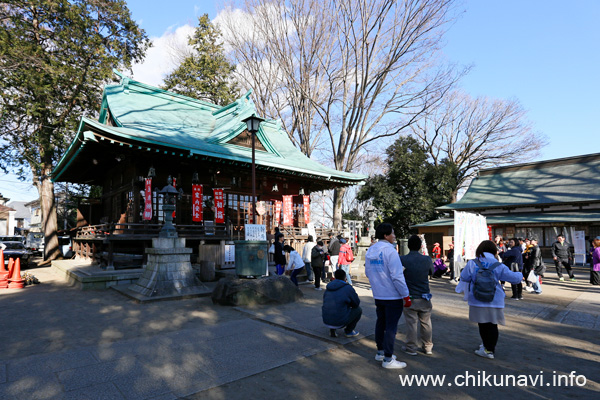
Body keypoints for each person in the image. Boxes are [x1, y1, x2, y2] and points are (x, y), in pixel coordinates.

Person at [456, 240, 523, 359]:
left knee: (482, 324)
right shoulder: (498, 265)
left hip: (477, 298)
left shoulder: (472, 263)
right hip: (494, 299)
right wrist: (520, 274)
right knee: (492, 324)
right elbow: (514, 279)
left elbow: (464, 277)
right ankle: (489, 348)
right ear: (494, 251)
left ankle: (487, 348)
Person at [365, 223, 412, 369]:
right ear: (386, 235)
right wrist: (406, 296)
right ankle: (388, 358)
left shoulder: (371, 250)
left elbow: (368, 272)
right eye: (392, 233)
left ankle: (381, 352)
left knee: (381, 323)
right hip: (392, 295)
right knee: (391, 327)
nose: (394, 236)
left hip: (379, 294)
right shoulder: (390, 252)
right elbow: (397, 276)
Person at [400, 235, 434, 356]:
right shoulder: (427, 259)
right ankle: (428, 346)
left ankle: (411, 347)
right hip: (424, 295)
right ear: (420, 246)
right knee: (426, 322)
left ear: (408, 246)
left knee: (411, 323)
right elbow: (432, 272)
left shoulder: (402, 259)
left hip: (409, 296)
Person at [322, 269, 362, 338]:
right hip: (340, 321)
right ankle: (349, 331)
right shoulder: (347, 288)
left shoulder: (328, 287)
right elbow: (356, 303)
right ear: (345, 277)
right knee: (358, 310)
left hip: (326, 320)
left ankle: (332, 330)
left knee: (333, 306)